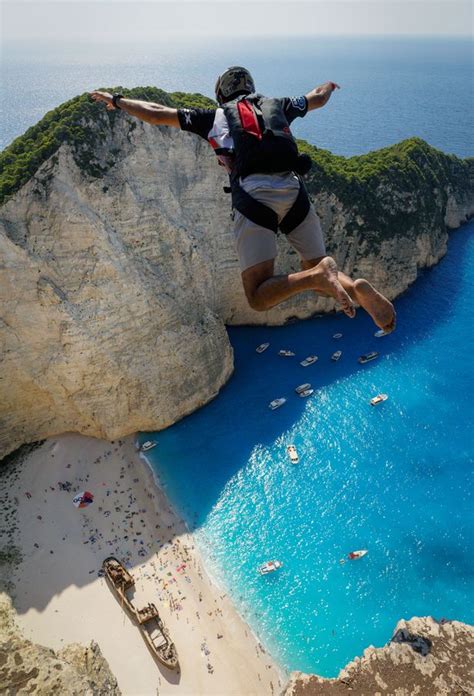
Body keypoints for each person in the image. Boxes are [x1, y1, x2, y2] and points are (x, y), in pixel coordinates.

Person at [90, 67, 395, 332]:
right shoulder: (280, 105)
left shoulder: (212, 117)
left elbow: (156, 113)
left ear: (221, 95)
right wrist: (328, 86)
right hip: (294, 189)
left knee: (259, 295)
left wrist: (117, 100)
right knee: (321, 269)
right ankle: (354, 287)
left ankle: (316, 276)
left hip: (254, 197)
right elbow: (317, 97)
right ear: (250, 87)